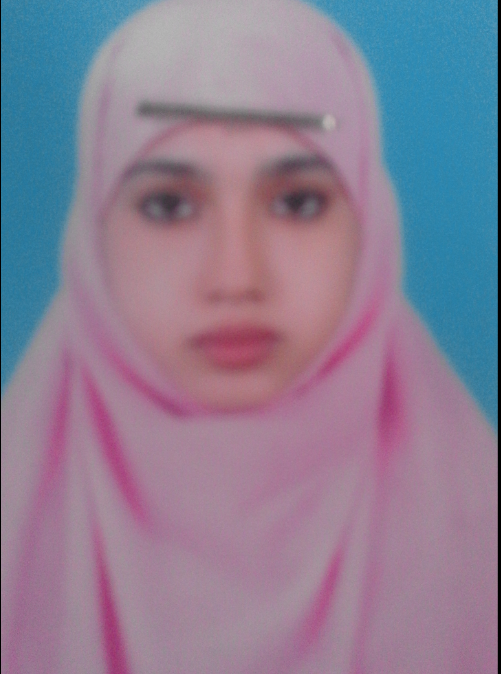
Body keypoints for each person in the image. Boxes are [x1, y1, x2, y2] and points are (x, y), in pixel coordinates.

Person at [1, 0, 497, 672]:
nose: (235, 277)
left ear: (370, 228)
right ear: (93, 237)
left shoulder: (479, 537)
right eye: (168, 205)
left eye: (297, 203)